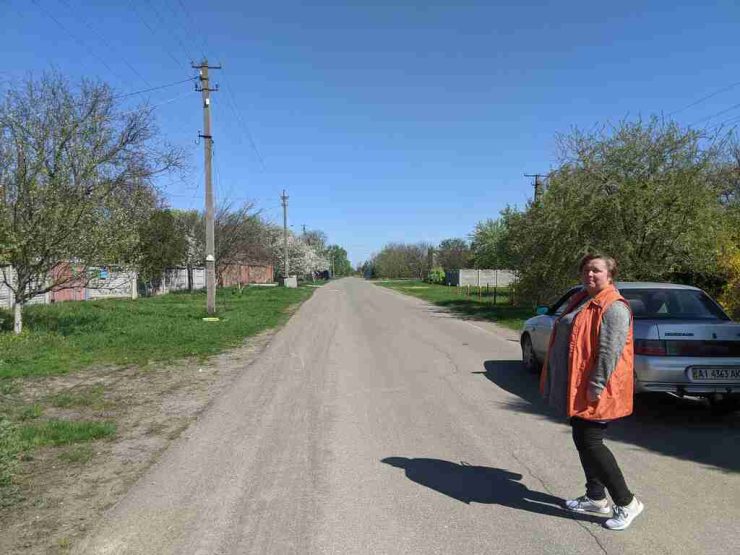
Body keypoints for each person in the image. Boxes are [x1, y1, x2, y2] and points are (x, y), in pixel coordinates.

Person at [540, 253, 644, 531]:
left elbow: (610, 353)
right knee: (581, 437)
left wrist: (595, 388)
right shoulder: (582, 299)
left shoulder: (614, 307)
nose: (590, 274)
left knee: (592, 442)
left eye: (596, 270)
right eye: (586, 269)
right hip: (578, 385)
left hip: (596, 387)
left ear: (610, 274)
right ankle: (596, 497)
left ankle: (627, 502)